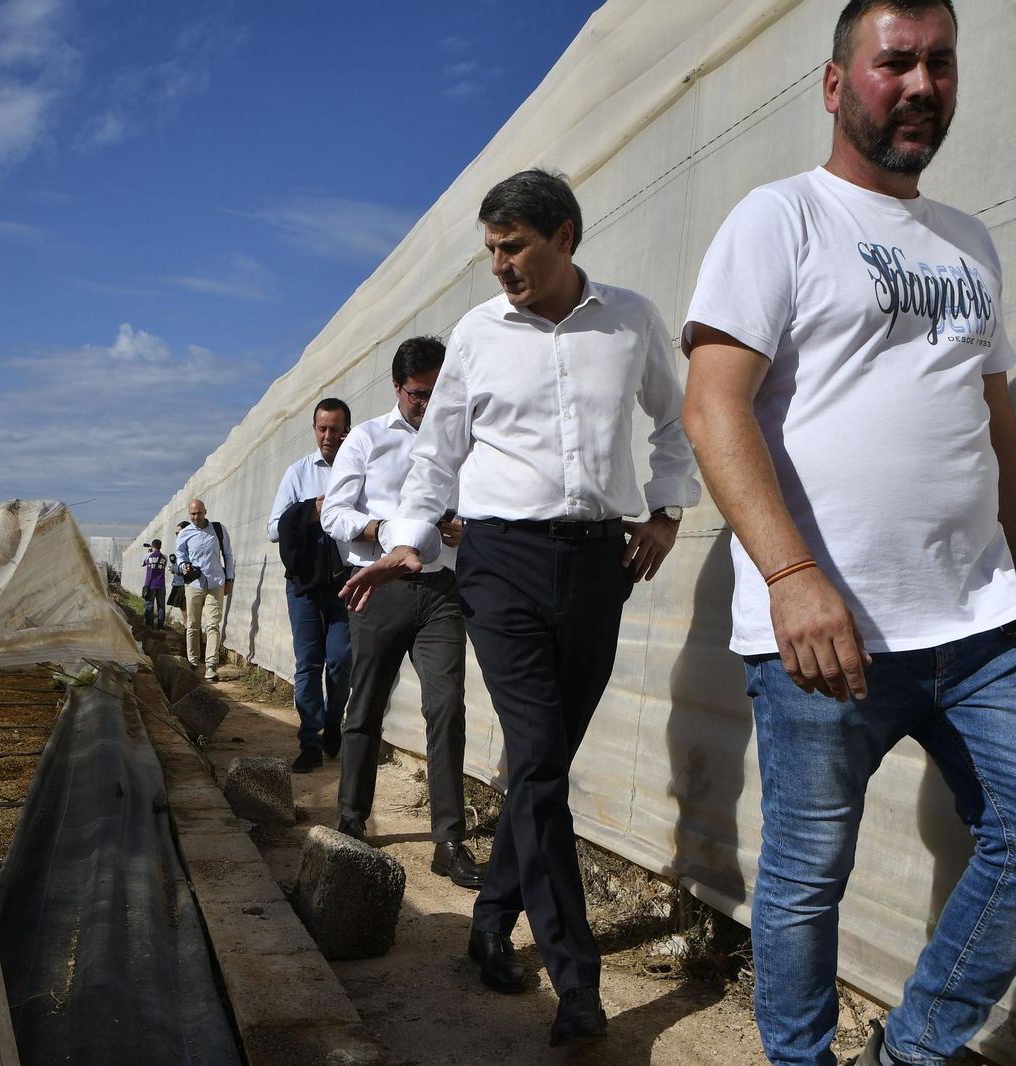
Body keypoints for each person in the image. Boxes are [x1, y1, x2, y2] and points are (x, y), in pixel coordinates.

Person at [680, 4, 1016, 1064]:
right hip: (828, 637)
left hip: (981, 627)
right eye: (895, 62)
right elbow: (712, 406)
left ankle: (910, 1050)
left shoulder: (969, 244)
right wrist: (789, 573)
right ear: (836, 86)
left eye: (940, 63)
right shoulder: (779, 219)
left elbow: (998, 436)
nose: (921, 84)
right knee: (807, 876)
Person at [343, 170, 699, 1046]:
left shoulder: (630, 321)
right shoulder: (475, 334)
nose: (500, 266)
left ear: (565, 237)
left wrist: (664, 512)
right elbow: (439, 453)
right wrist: (408, 539)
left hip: (597, 565)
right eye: (492, 250)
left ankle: (492, 914)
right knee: (539, 757)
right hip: (498, 562)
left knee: (543, 765)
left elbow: (675, 419)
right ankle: (579, 984)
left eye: (515, 248)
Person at [321, 337, 482, 886]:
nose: (427, 405)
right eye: (418, 395)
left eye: (438, 395)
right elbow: (335, 514)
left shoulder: (461, 441)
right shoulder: (365, 439)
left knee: (447, 708)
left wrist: (463, 528)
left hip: (441, 591)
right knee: (365, 704)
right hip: (379, 587)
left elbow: (482, 503)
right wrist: (382, 532)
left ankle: (448, 838)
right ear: (398, 388)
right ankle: (351, 816)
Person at [268, 398, 354, 772]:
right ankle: (309, 742)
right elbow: (273, 528)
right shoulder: (299, 472)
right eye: (322, 428)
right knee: (308, 665)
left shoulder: (360, 470)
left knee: (340, 661)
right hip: (303, 584)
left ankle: (333, 720)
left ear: (347, 430)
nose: (328, 436)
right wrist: (310, 511)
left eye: (335, 429)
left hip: (345, 581)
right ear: (314, 429)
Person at [176, 500, 235, 681]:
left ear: (205, 512)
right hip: (194, 585)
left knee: (213, 624)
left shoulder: (218, 530)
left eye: (199, 513)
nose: (196, 517)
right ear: (189, 514)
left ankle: (211, 664)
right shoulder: (185, 533)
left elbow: (228, 554)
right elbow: (180, 554)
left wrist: (230, 578)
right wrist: (184, 565)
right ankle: (193, 662)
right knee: (192, 625)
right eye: (193, 514)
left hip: (216, 582)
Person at [140, 539, 168, 628]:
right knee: (161, 606)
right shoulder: (164, 557)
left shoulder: (148, 555)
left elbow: (142, 564)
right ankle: (160, 625)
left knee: (149, 605)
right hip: (161, 584)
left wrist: (149, 552)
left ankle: (149, 624)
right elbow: (164, 566)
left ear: (152, 546)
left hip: (150, 584)